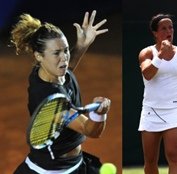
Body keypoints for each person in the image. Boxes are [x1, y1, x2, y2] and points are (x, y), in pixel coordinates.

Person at [11, 10, 111, 173]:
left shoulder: (46, 72)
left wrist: (81, 45)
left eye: (65, 50)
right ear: (39, 56)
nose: (64, 57)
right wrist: (101, 113)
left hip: (76, 163)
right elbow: (90, 130)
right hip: (53, 170)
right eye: (56, 53)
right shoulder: (50, 100)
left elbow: (67, 67)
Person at [138, 13, 177, 174]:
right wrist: (160, 56)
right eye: (163, 28)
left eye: (171, 27)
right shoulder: (147, 53)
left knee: (174, 157)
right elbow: (147, 74)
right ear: (155, 33)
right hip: (151, 111)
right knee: (150, 161)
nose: (168, 31)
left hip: (174, 111)